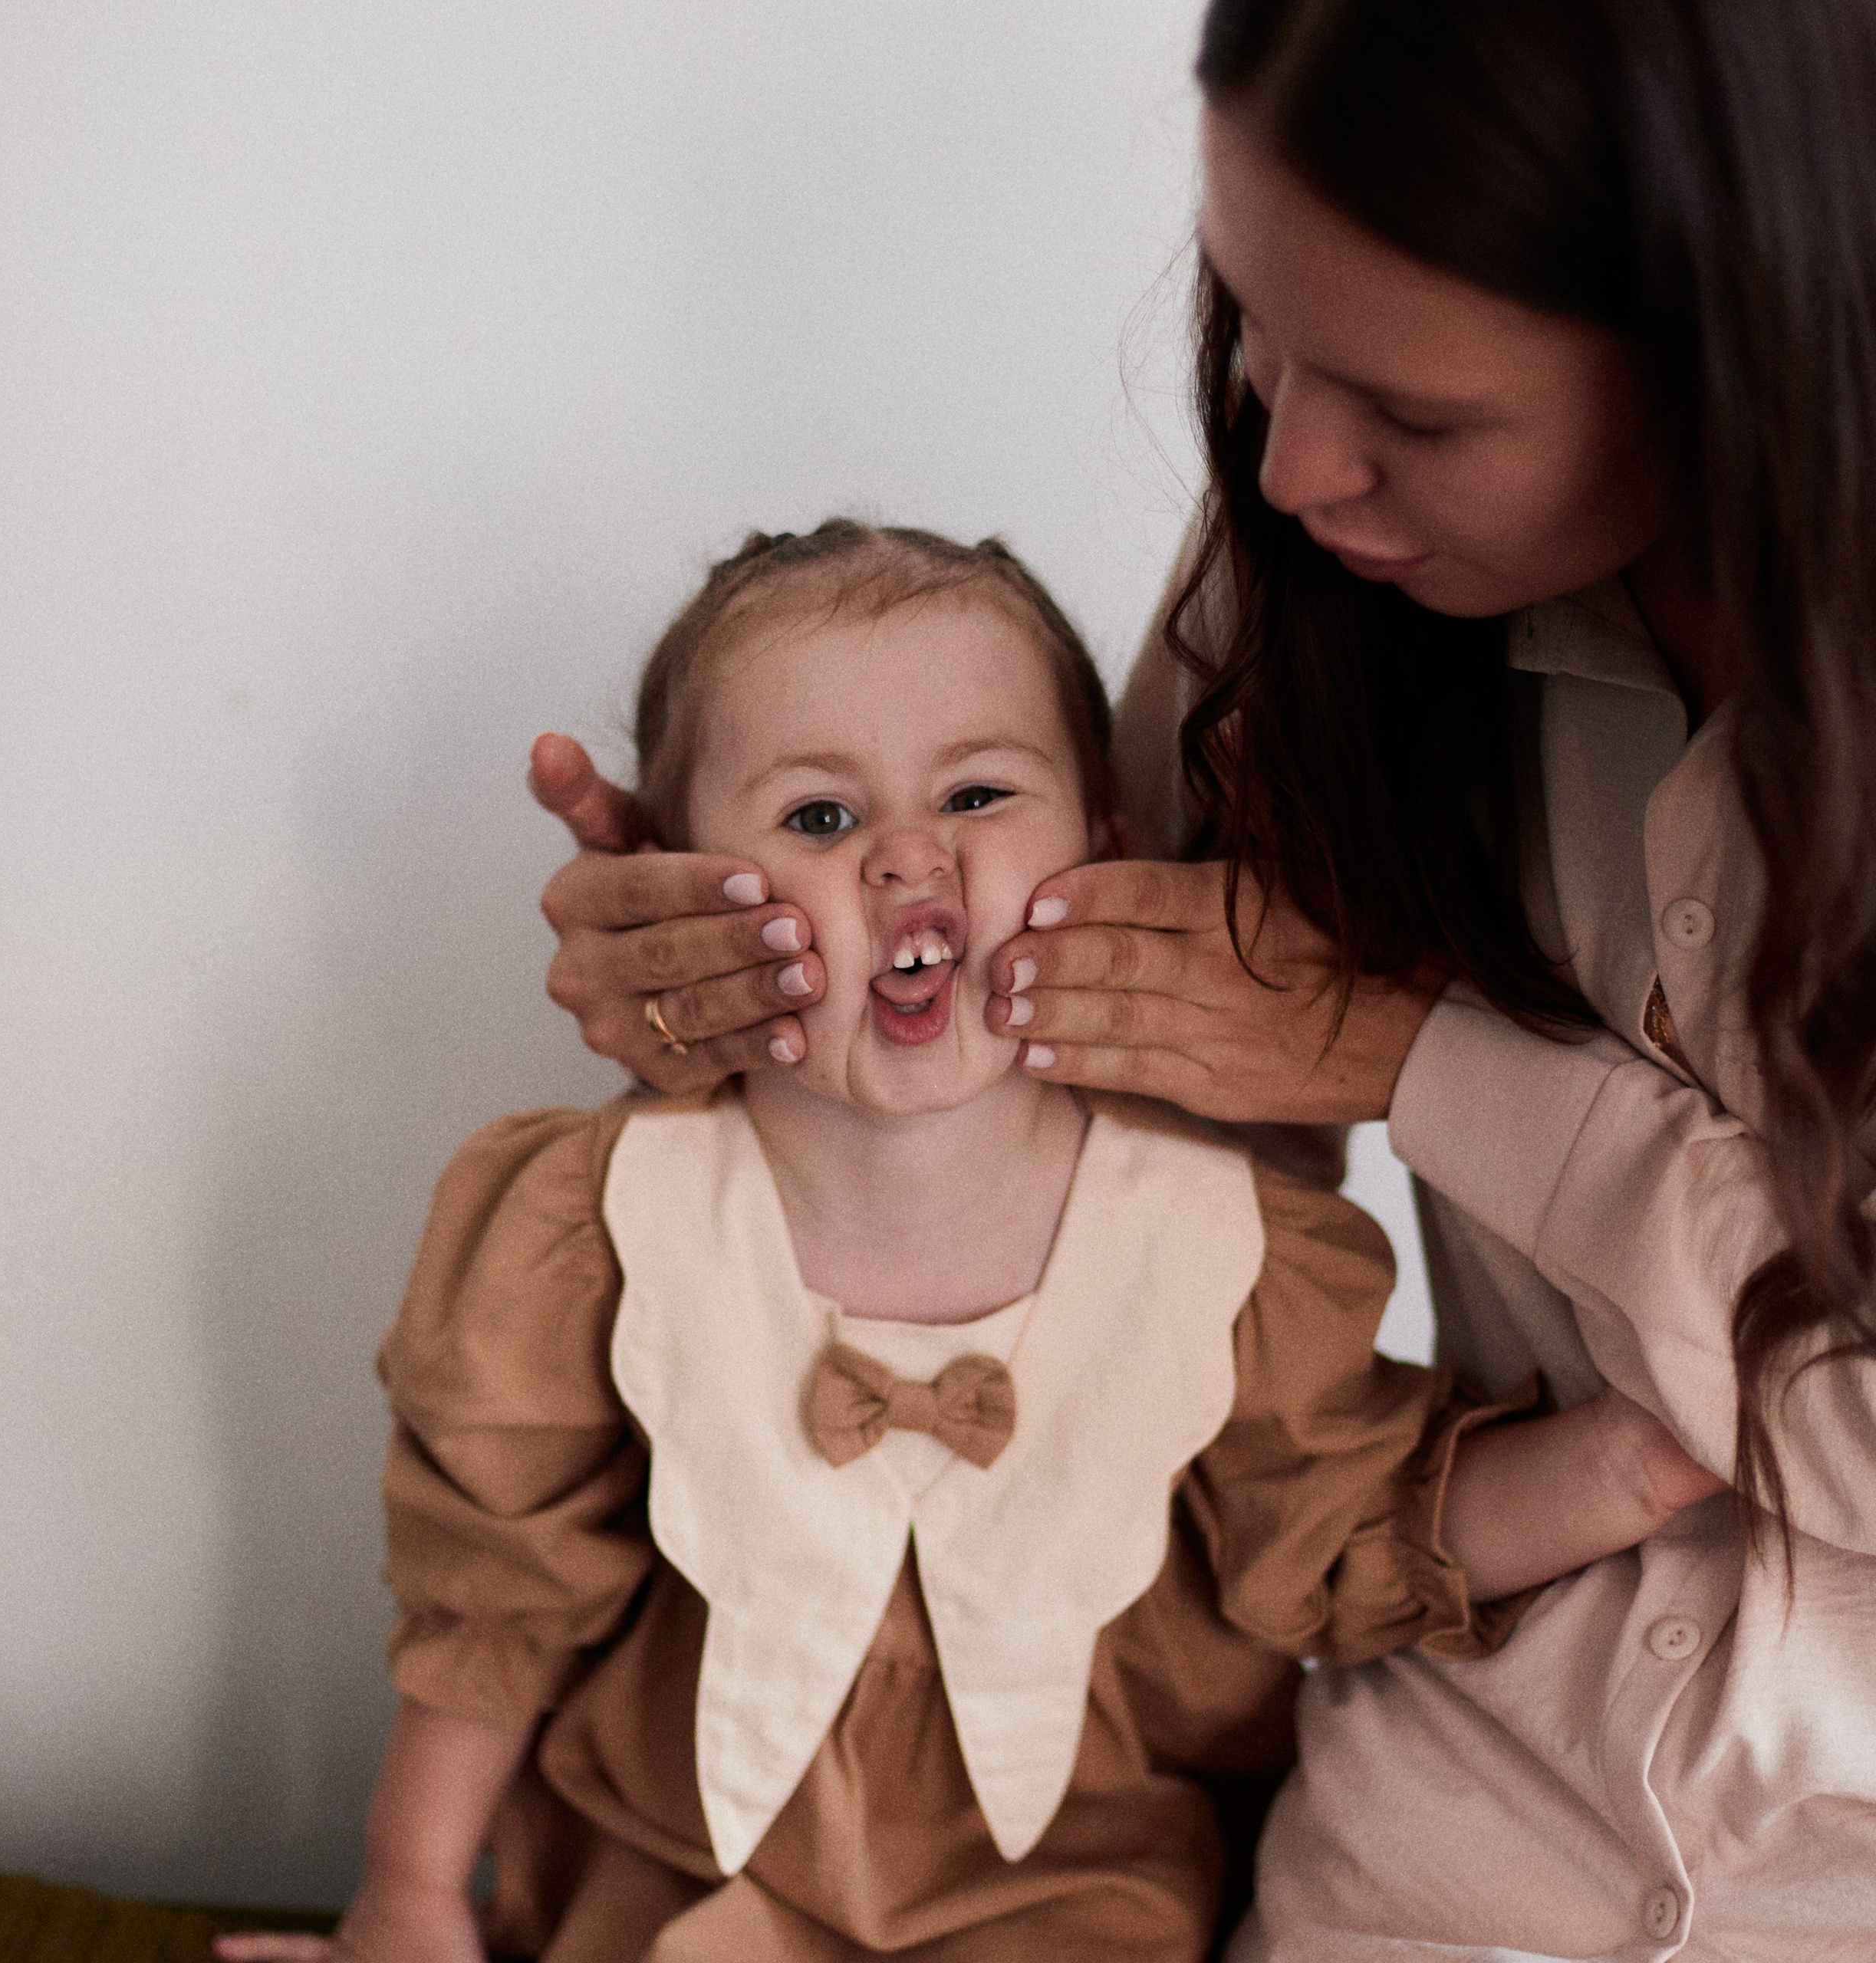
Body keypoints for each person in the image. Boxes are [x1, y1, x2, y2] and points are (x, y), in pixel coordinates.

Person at [525, 5, 1876, 1957]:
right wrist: (750, 994)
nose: (1289, 457)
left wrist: (1423, 1060)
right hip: (1436, 1814)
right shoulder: (1324, 577)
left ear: (1743, 350)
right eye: (1250, 315)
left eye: (1415, 414)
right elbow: (1103, 1111)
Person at [218, 520, 1716, 1963]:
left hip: (1075, 1900)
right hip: (685, 1887)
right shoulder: (600, 1222)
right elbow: (495, 1598)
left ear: (1105, 855)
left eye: (979, 794)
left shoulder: (1210, 1237)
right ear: (679, 897)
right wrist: (409, 1894)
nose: (904, 855)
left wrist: (1620, 1461)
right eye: (818, 815)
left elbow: (1344, 1527)